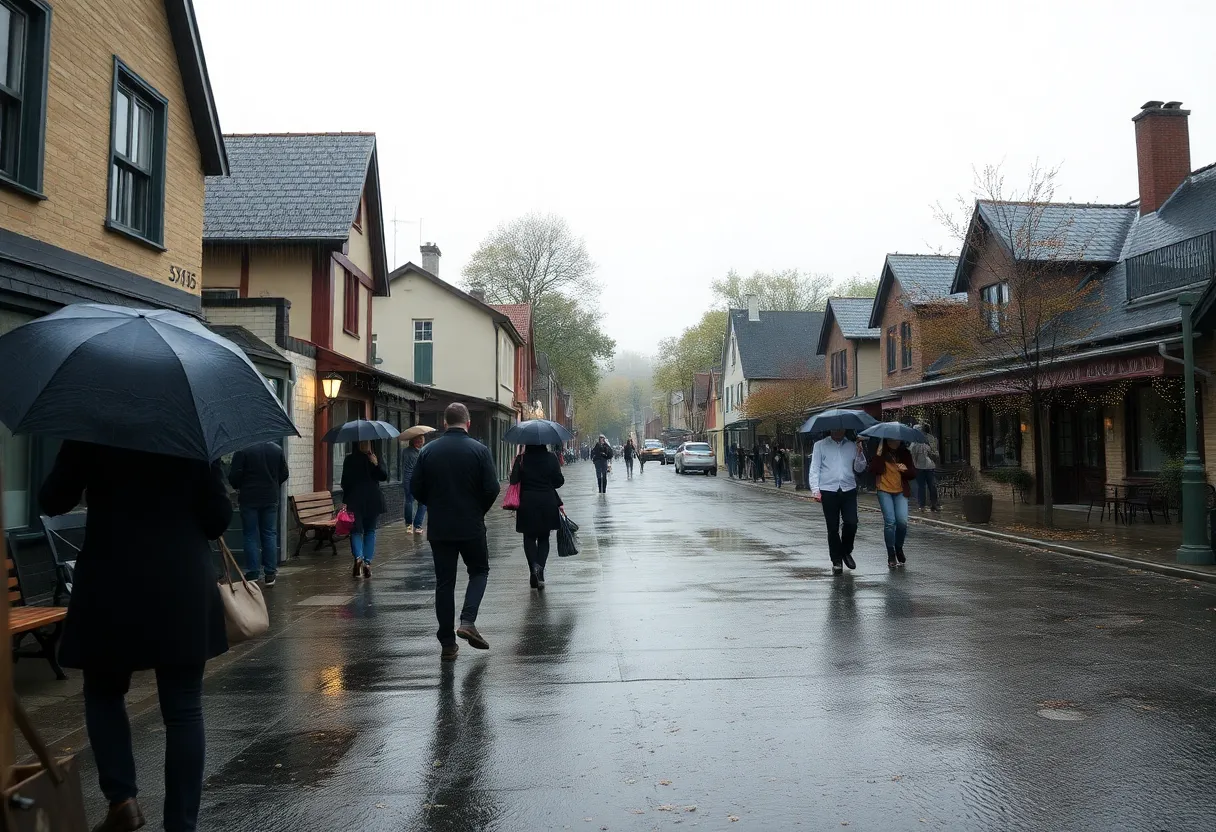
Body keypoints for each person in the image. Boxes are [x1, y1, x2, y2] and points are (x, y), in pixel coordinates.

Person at [40, 441, 232, 832]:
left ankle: (122, 801)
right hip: (180, 581)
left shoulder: (94, 426)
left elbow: (52, 500)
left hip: (112, 579)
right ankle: (181, 824)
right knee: (183, 709)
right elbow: (217, 520)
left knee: (105, 692)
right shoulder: (190, 433)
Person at [411, 403, 500, 660]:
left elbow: (416, 488)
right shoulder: (480, 451)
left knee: (444, 584)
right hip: (471, 525)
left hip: (440, 527)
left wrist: (436, 505)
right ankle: (468, 620)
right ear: (468, 423)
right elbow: (492, 488)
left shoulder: (428, 451)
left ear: (445, 423)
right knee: (479, 571)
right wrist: (478, 510)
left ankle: (448, 644)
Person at [228, 440, 288, 586]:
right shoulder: (276, 449)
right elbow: (284, 473)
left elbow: (234, 477)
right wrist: (273, 484)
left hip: (249, 498)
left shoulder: (242, 450)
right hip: (270, 498)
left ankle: (253, 572)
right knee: (269, 534)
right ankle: (270, 573)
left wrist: (240, 485)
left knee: (250, 535)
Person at [809, 429, 869, 575]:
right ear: (830, 429)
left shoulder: (851, 445)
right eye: (835, 428)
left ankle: (846, 551)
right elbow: (815, 468)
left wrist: (860, 453)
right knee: (832, 527)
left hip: (848, 488)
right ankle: (836, 560)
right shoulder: (820, 445)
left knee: (851, 522)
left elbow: (859, 468)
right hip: (828, 489)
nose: (838, 431)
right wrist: (815, 489)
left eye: (841, 428)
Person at [510, 444, 565, 589]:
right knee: (543, 537)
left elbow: (513, 480)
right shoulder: (551, 458)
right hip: (547, 501)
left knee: (528, 537)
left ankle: (533, 569)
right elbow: (559, 481)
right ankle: (539, 570)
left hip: (527, 502)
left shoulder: (521, 459)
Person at [341, 440, 387, 579]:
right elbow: (383, 477)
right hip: (373, 499)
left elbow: (344, 482)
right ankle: (367, 563)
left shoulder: (349, 459)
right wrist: (376, 464)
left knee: (356, 531)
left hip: (354, 500)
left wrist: (345, 500)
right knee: (370, 531)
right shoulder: (375, 457)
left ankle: (358, 558)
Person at [869, 437, 917, 569]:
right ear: (885, 441)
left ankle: (899, 547)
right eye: (890, 440)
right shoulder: (880, 453)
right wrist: (878, 455)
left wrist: (905, 470)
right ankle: (891, 553)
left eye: (896, 440)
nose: (893, 443)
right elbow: (873, 470)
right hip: (884, 490)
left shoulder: (905, 454)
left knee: (902, 522)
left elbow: (913, 473)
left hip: (900, 491)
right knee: (890, 522)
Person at [399, 434, 428, 534]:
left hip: (407, 479)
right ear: (417, 441)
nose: (422, 441)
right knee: (423, 503)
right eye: (421, 439)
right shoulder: (422, 452)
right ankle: (418, 526)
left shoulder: (405, 451)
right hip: (418, 480)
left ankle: (409, 526)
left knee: (409, 501)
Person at [909, 424, 941, 513]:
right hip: (919, 467)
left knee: (932, 486)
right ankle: (922, 505)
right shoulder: (914, 443)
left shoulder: (931, 440)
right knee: (921, 487)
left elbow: (936, 453)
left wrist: (933, 455)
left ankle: (934, 504)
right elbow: (913, 455)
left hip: (930, 466)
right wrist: (914, 466)